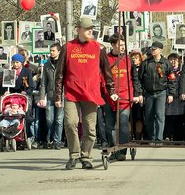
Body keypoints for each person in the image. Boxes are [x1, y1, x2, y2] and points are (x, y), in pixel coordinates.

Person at [54, 16, 117, 170]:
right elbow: (60, 73)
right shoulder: (68, 47)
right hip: (72, 93)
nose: (90, 31)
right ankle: (74, 155)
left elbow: (107, 72)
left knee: (90, 128)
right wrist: (57, 95)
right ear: (78, 30)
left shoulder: (98, 48)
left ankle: (86, 156)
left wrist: (111, 90)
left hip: (91, 94)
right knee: (70, 124)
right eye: (87, 28)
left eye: (91, 29)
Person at [103, 34, 141, 160]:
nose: (123, 48)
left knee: (123, 124)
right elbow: (102, 78)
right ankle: (114, 149)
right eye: (120, 45)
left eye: (124, 45)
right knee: (110, 125)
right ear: (113, 45)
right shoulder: (106, 59)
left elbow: (135, 78)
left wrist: (137, 94)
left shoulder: (128, 60)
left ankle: (122, 151)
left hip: (125, 97)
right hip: (110, 97)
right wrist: (110, 92)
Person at [137, 41, 175, 142]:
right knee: (148, 116)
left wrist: (171, 93)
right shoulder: (146, 63)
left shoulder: (166, 63)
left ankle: (159, 139)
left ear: (160, 50)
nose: (152, 51)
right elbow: (139, 79)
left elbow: (171, 79)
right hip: (148, 93)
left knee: (160, 116)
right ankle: (150, 137)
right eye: (152, 49)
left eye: (155, 49)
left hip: (161, 93)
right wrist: (140, 93)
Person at [38, 43, 64, 149]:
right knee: (49, 120)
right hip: (50, 95)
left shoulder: (63, 64)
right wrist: (41, 97)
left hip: (61, 96)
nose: (51, 52)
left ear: (59, 52)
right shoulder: (47, 65)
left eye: (53, 50)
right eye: (51, 50)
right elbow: (44, 82)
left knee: (59, 119)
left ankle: (57, 141)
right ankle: (52, 138)